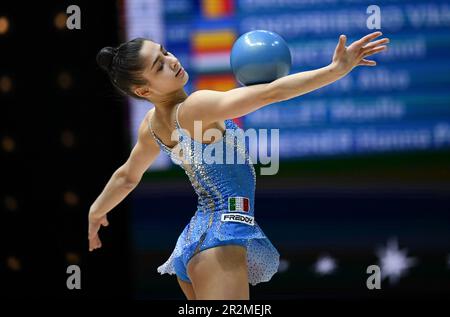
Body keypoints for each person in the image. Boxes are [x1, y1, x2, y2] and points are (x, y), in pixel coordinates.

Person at [89, 32, 389, 300]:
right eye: (159, 66)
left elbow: (127, 177)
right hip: (220, 238)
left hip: (198, 240)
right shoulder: (195, 106)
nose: (171, 61)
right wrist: (335, 70)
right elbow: (272, 92)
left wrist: (97, 211)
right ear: (143, 91)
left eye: (165, 52)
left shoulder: (152, 126)